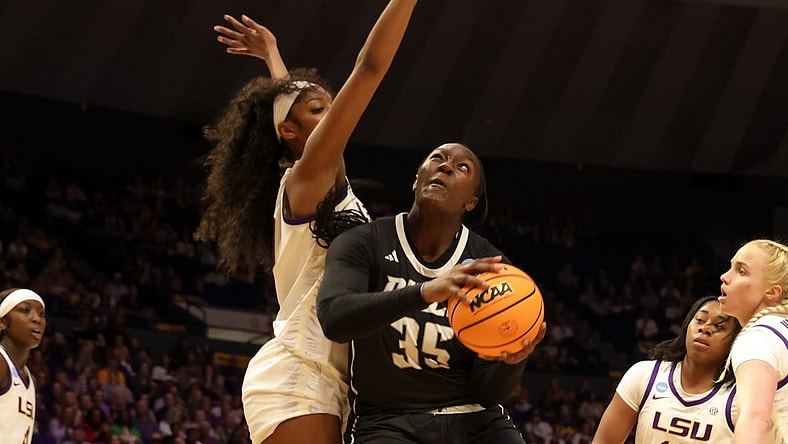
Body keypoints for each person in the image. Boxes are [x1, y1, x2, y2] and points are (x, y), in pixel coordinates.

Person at [195, 1, 419, 443]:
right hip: (301, 369)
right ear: (289, 134)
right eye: (322, 111)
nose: (333, 116)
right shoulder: (305, 180)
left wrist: (272, 56)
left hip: (330, 376)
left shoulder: (329, 187)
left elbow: (290, 109)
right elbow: (370, 67)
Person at [316, 142, 547, 443]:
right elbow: (334, 317)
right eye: (437, 158)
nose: (446, 166)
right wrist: (424, 292)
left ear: (471, 202)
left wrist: (511, 362)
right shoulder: (365, 242)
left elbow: (488, 393)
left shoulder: (492, 269)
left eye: (462, 167)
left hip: (474, 419)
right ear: (416, 179)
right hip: (388, 420)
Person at [591, 295, 741, 443]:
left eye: (719, 326)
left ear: (734, 342)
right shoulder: (645, 375)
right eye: (700, 320)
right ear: (687, 326)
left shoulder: (739, 399)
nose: (705, 329)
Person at [718, 239, 788, 443]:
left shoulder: (760, 337)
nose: (724, 277)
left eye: (741, 271)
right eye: (731, 267)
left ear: (772, 292)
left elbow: (754, 418)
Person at [0, 288, 47, 444]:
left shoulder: (29, 378)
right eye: (25, 310)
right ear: (2, 322)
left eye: (41, 314)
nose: (37, 319)